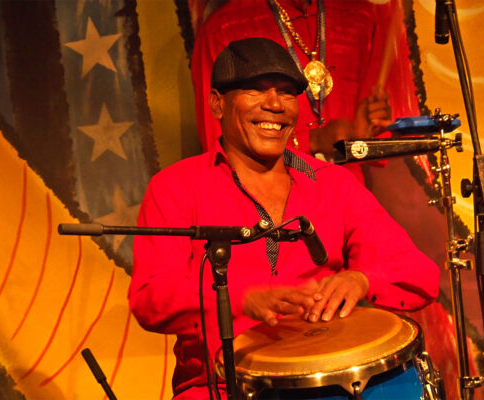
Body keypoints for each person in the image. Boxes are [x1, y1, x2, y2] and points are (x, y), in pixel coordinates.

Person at [129, 38, 439, 399]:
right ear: (218, 103)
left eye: (288, 93)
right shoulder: (175, 187)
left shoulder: (332, 183)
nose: (275, 104)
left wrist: (362, 279)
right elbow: (150, 299)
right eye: (255, 90)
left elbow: (420, 274)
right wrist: (240, 300)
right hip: (218, 387)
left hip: (328, 383)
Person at [191, 0, 421, 182]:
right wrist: (313, 140)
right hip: (265, 215)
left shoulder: (362, 17)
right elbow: (220, 154)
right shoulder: (224, 29)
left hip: (345, 206)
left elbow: (367, 144)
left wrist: (362, 131)